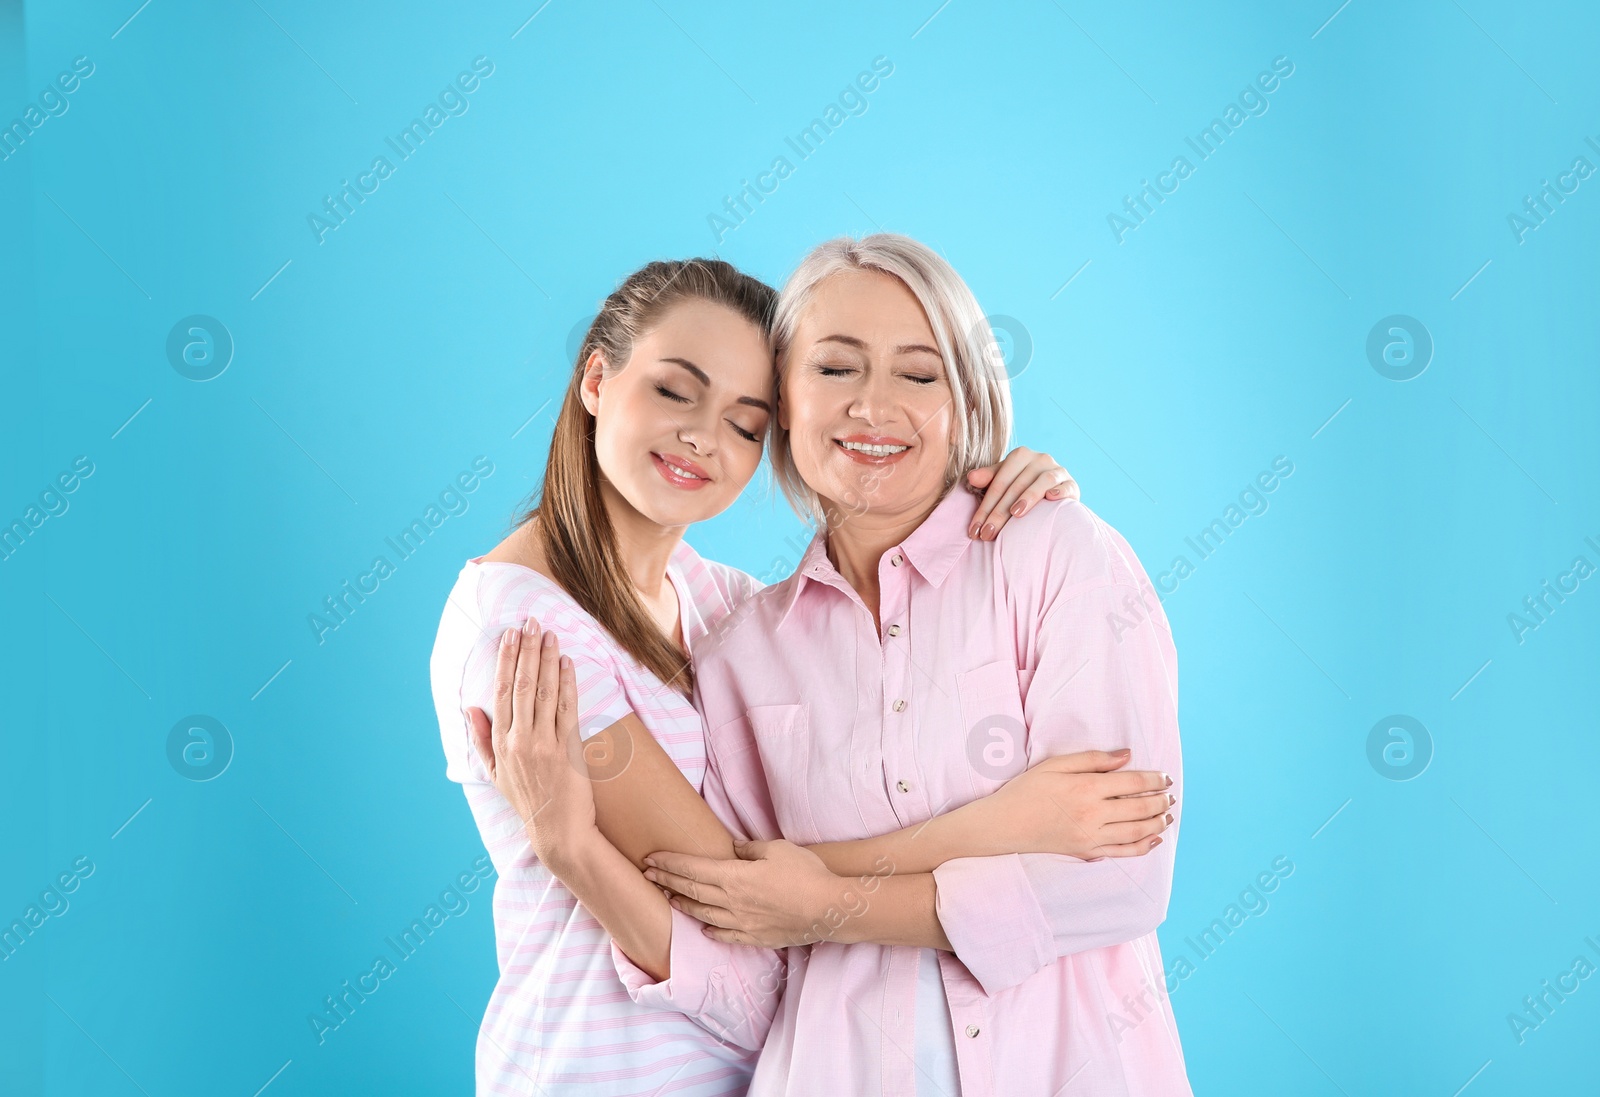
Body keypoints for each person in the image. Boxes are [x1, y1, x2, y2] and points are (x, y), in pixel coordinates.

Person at [433, 255, 1173, 1095]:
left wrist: (1051, 511)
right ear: (596, 378)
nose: (704, 438)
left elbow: (1122, 877)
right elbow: (750, 926)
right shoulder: (542, 633)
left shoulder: (715, 607)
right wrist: (1005, 823)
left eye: (743, 421)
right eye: (675, 390)